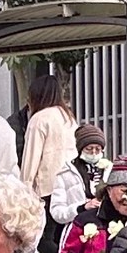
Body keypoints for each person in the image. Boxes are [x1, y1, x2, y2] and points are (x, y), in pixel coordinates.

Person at [19, 90, 93, 229]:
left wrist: (25, 188)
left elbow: (31, 155)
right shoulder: (68, 117)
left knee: (44, 237)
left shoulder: (39, 119)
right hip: (72, 180)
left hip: (47, 185)